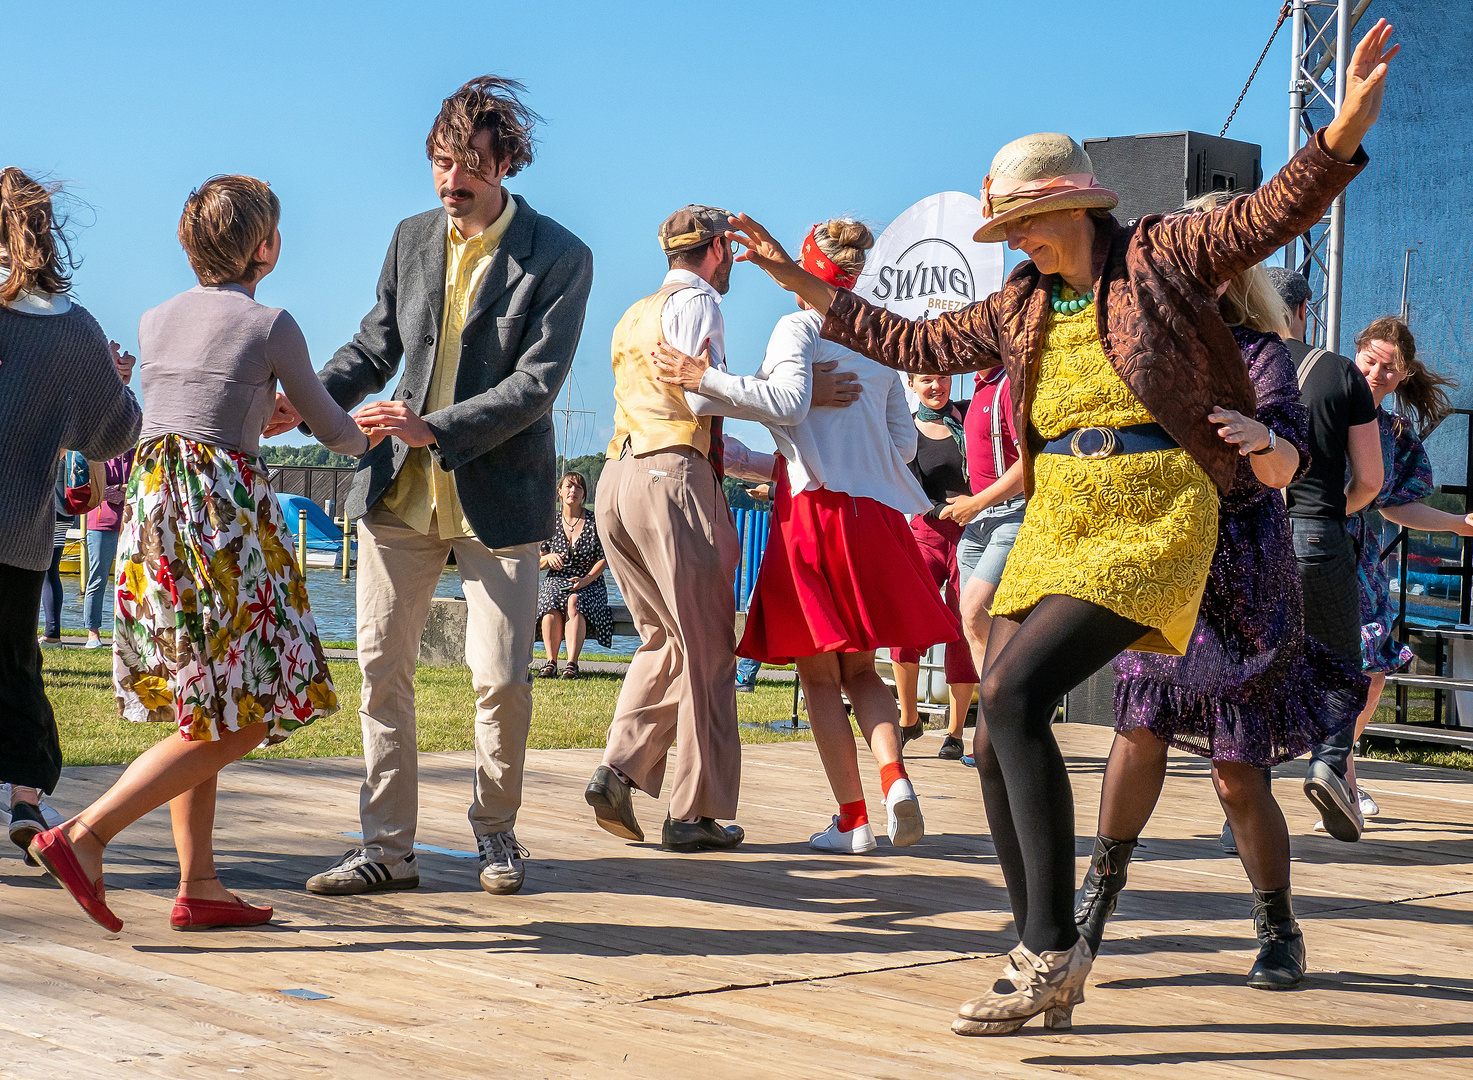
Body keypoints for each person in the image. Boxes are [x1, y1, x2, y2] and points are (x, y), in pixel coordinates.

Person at [723, 20, 1395, 1035]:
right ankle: (1045, 941)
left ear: (1074, 206)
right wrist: (801, 286)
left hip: (1159, 510)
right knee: (998, 733)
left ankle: (1049, 948)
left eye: (1025, 228)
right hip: (1062, 515)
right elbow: (908, 337)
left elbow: (1267, 214)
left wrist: (1341, 129)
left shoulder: (1163, 254)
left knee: (1010, 688)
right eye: (1008, 236)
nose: (1016, 246)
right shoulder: (1022, 303)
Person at [27, 173, 374, 932]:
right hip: (222, 513)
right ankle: (85, 837)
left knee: (203, 702)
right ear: (266, 247)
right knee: (253, 709)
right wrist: (374, 425)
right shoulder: (271, 322)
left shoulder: (154, 320)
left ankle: (202, 883)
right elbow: (333, 429)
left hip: (155, 510)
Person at [281, 77, 593, 898]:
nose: (451, 183)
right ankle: (386, 848)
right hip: (396, 498)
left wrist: (436, 428)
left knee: (500, 677)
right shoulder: (411, 237)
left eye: (469, 169)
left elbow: (537, 385)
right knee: (381, 672)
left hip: (500, 502)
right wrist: (309, 401)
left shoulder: (561, 255)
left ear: (507, 165)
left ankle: (495, 833)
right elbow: (374, 341)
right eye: (440, 164)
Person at [1075, 218, 1368, 992]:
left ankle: (1279, 930)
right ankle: (1091, 906)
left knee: (1237, 774)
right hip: (1163, 560)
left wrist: (1254, 436)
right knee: (1138, 728)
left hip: (1241, 571)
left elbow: (1285, 465)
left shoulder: (1258, 351)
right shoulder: (1137, 342)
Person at [652, 218, 960, 855]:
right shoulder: (875, 335)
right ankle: (896, 780)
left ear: (805, 273)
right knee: (864, 671)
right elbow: (903, 441)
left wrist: (698, 377)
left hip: (812, 514)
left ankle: (853, 819)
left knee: (820, 676)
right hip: (874, 517)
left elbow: (786, 403)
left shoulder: (799, 326)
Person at [583, 205, 774, 853]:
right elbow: (698, 398)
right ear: (718, 248)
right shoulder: (700, 307)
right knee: (709, 652)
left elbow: (670, 413)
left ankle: (617, 769)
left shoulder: (633, 313)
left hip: (617, 478)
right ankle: (694, 813)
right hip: (672, 482)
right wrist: (777, 398)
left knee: (663, 639)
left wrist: (763, 463)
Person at [1, 167, 141, 861]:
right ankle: (26, 801)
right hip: (21, 532)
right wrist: (114, 381)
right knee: (18, 665)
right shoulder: (78, 331)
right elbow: (115, 436)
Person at [1266, 267, 1385, 844]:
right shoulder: (1338, 372)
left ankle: (1242, 811)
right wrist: (1332, 510)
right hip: (1315, 534)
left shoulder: (1232, 366)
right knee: (1340, 664)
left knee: (1255, 670)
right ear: (1303, 310)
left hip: (1245, 542)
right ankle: (1329, 764)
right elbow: (1370, 480)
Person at [1337, 316, 1469, 823]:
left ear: (1405, 374)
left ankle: (1337, 769)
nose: (1376, 373)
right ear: (1355, 355)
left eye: (1389, 368)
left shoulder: (1394, 432)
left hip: (1354, 559)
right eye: (1369, 360)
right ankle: (1244, 802)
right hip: (1292, 550)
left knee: (1371, 674)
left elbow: (1394, 505)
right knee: (1279, 671)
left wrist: (1457, 524)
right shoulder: (1313, 404)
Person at [892, 372, 980, 760]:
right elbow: (905, 487)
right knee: (906, 617)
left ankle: (956, 732)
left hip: (974, 531)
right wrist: (942, 509)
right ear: (911, 384)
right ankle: (909, 718)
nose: (936, 386)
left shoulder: (970, 416)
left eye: (942, 378)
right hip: (927, 529)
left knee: (964, 624)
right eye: (926, 379)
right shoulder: (906, 430)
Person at [535, 470, 612, 679]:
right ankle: (550, 662)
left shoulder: (595, 522)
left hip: (589, 580)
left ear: (584, 494)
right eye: (568, 486)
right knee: (550, 599)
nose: (573, 491)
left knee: (574, 601)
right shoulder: (549, 522)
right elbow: (538, 561)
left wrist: (586, 579)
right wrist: (548, 557)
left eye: (578, 487)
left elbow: (605, 558)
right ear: (560, 492)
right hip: (557, 579)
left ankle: (571, 664)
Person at [82, 448, 137, 649]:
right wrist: (120, 489)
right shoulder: (99, 455)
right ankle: (92, 633)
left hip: (130, 523)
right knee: (98, 578)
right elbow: (93, 489)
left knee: (131, 580)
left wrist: (121, 489)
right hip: (100, 524)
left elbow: (140, 485)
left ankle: (128, 633)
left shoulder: (136, 454)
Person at [39, 455, 73, 645]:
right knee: (51, 573)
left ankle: (46, 634)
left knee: (34, 573)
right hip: (64, 511)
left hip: (44, 510)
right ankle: (52, 633)